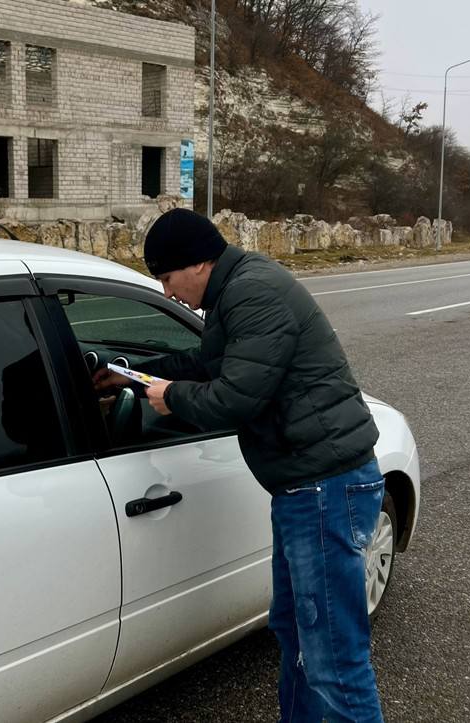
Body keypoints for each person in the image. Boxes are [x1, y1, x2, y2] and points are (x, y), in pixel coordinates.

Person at [93, 208, 385, 723]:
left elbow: (234, 397)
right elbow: (207, 362)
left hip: (325, 489)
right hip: (307, 487)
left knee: (334, 660)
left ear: (198, 263)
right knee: (295, 636)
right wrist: (133, 377)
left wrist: (172, 398)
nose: (165, 293)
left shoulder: (253, 292)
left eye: (166, 277)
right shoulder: (237, 290)